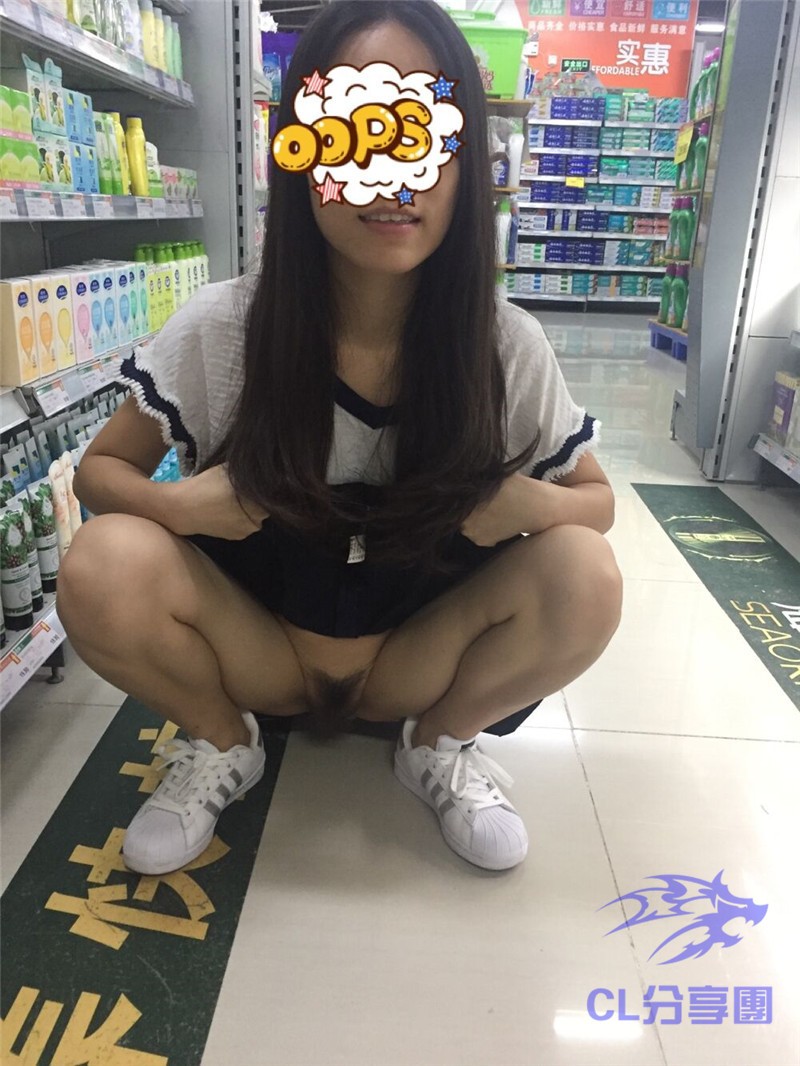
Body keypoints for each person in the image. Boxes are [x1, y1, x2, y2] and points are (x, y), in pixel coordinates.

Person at [58, 0, 622, 878]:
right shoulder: (226, 327)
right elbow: (100, 473)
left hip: (415, 662)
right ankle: (223, 739)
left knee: (585, 572)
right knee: (101, 561)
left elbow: (597, 503)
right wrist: (182, 507)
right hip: (261, 653)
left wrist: (523, 501)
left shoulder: (503, 344)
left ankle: (437, 743)